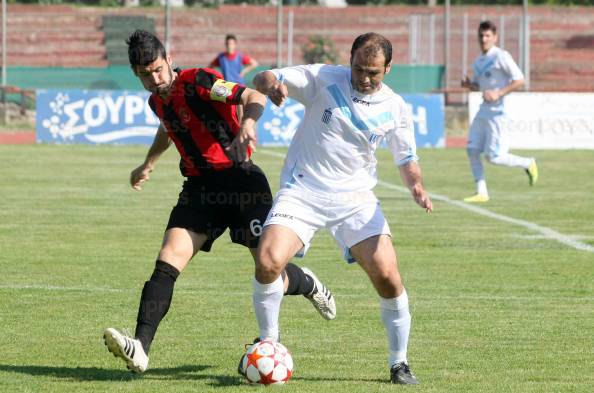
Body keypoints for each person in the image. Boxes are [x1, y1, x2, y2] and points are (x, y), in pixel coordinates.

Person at [103, 30, 335, 374]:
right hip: (199, 189)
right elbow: (168, 128)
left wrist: (248, 125)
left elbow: (251, 95)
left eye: (156, 70)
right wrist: (148, 163)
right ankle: (140, 348)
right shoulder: (157, 100)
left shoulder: (198, 81)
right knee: (167, 261)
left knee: (270, 268)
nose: (153, 80)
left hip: (241, 182)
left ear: (168, 60)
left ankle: (308, 283)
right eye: (144, 75)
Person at [248, 32, 433, 385]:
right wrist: (272, 85)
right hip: (303, 190)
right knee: (268, 260)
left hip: (355, 200)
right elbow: (265, 77)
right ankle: (269, 341)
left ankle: (399, 362)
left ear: (388, 69)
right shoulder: (324, 78)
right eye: (358, 69)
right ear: (349, 60)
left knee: (388, 276)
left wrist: (417, 185)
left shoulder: (395, 107)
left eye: (373, 73)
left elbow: (406, 157)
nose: (364, 78)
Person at [461, 20, 538, 203]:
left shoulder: (501, 56)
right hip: (484, 110)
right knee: (472, 150)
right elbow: (480, 87)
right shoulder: (479, 61)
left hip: (498, 113)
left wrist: (499, 93)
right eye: (481, 35)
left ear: (495, 37)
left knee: (494, 157)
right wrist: (469, 85)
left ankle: (528, 163)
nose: (484, 39)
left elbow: (520, 80)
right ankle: (482, 192)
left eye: (487, 35)